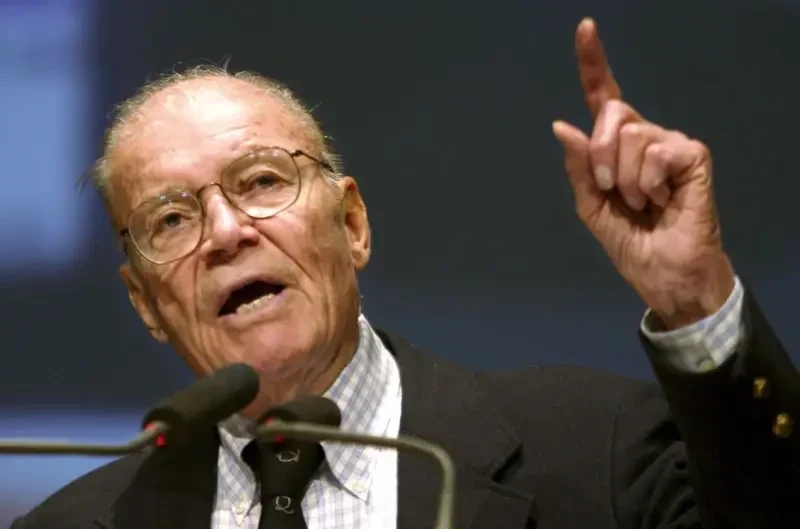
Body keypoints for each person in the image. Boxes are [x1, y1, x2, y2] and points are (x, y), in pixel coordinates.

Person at [10, 18, 799, 529]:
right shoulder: (73, 523)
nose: (224, 232)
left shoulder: (594, 446)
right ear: (145, 303)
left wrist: (695, 297)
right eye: (171, 220)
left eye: (261, 181)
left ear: (352, 224)